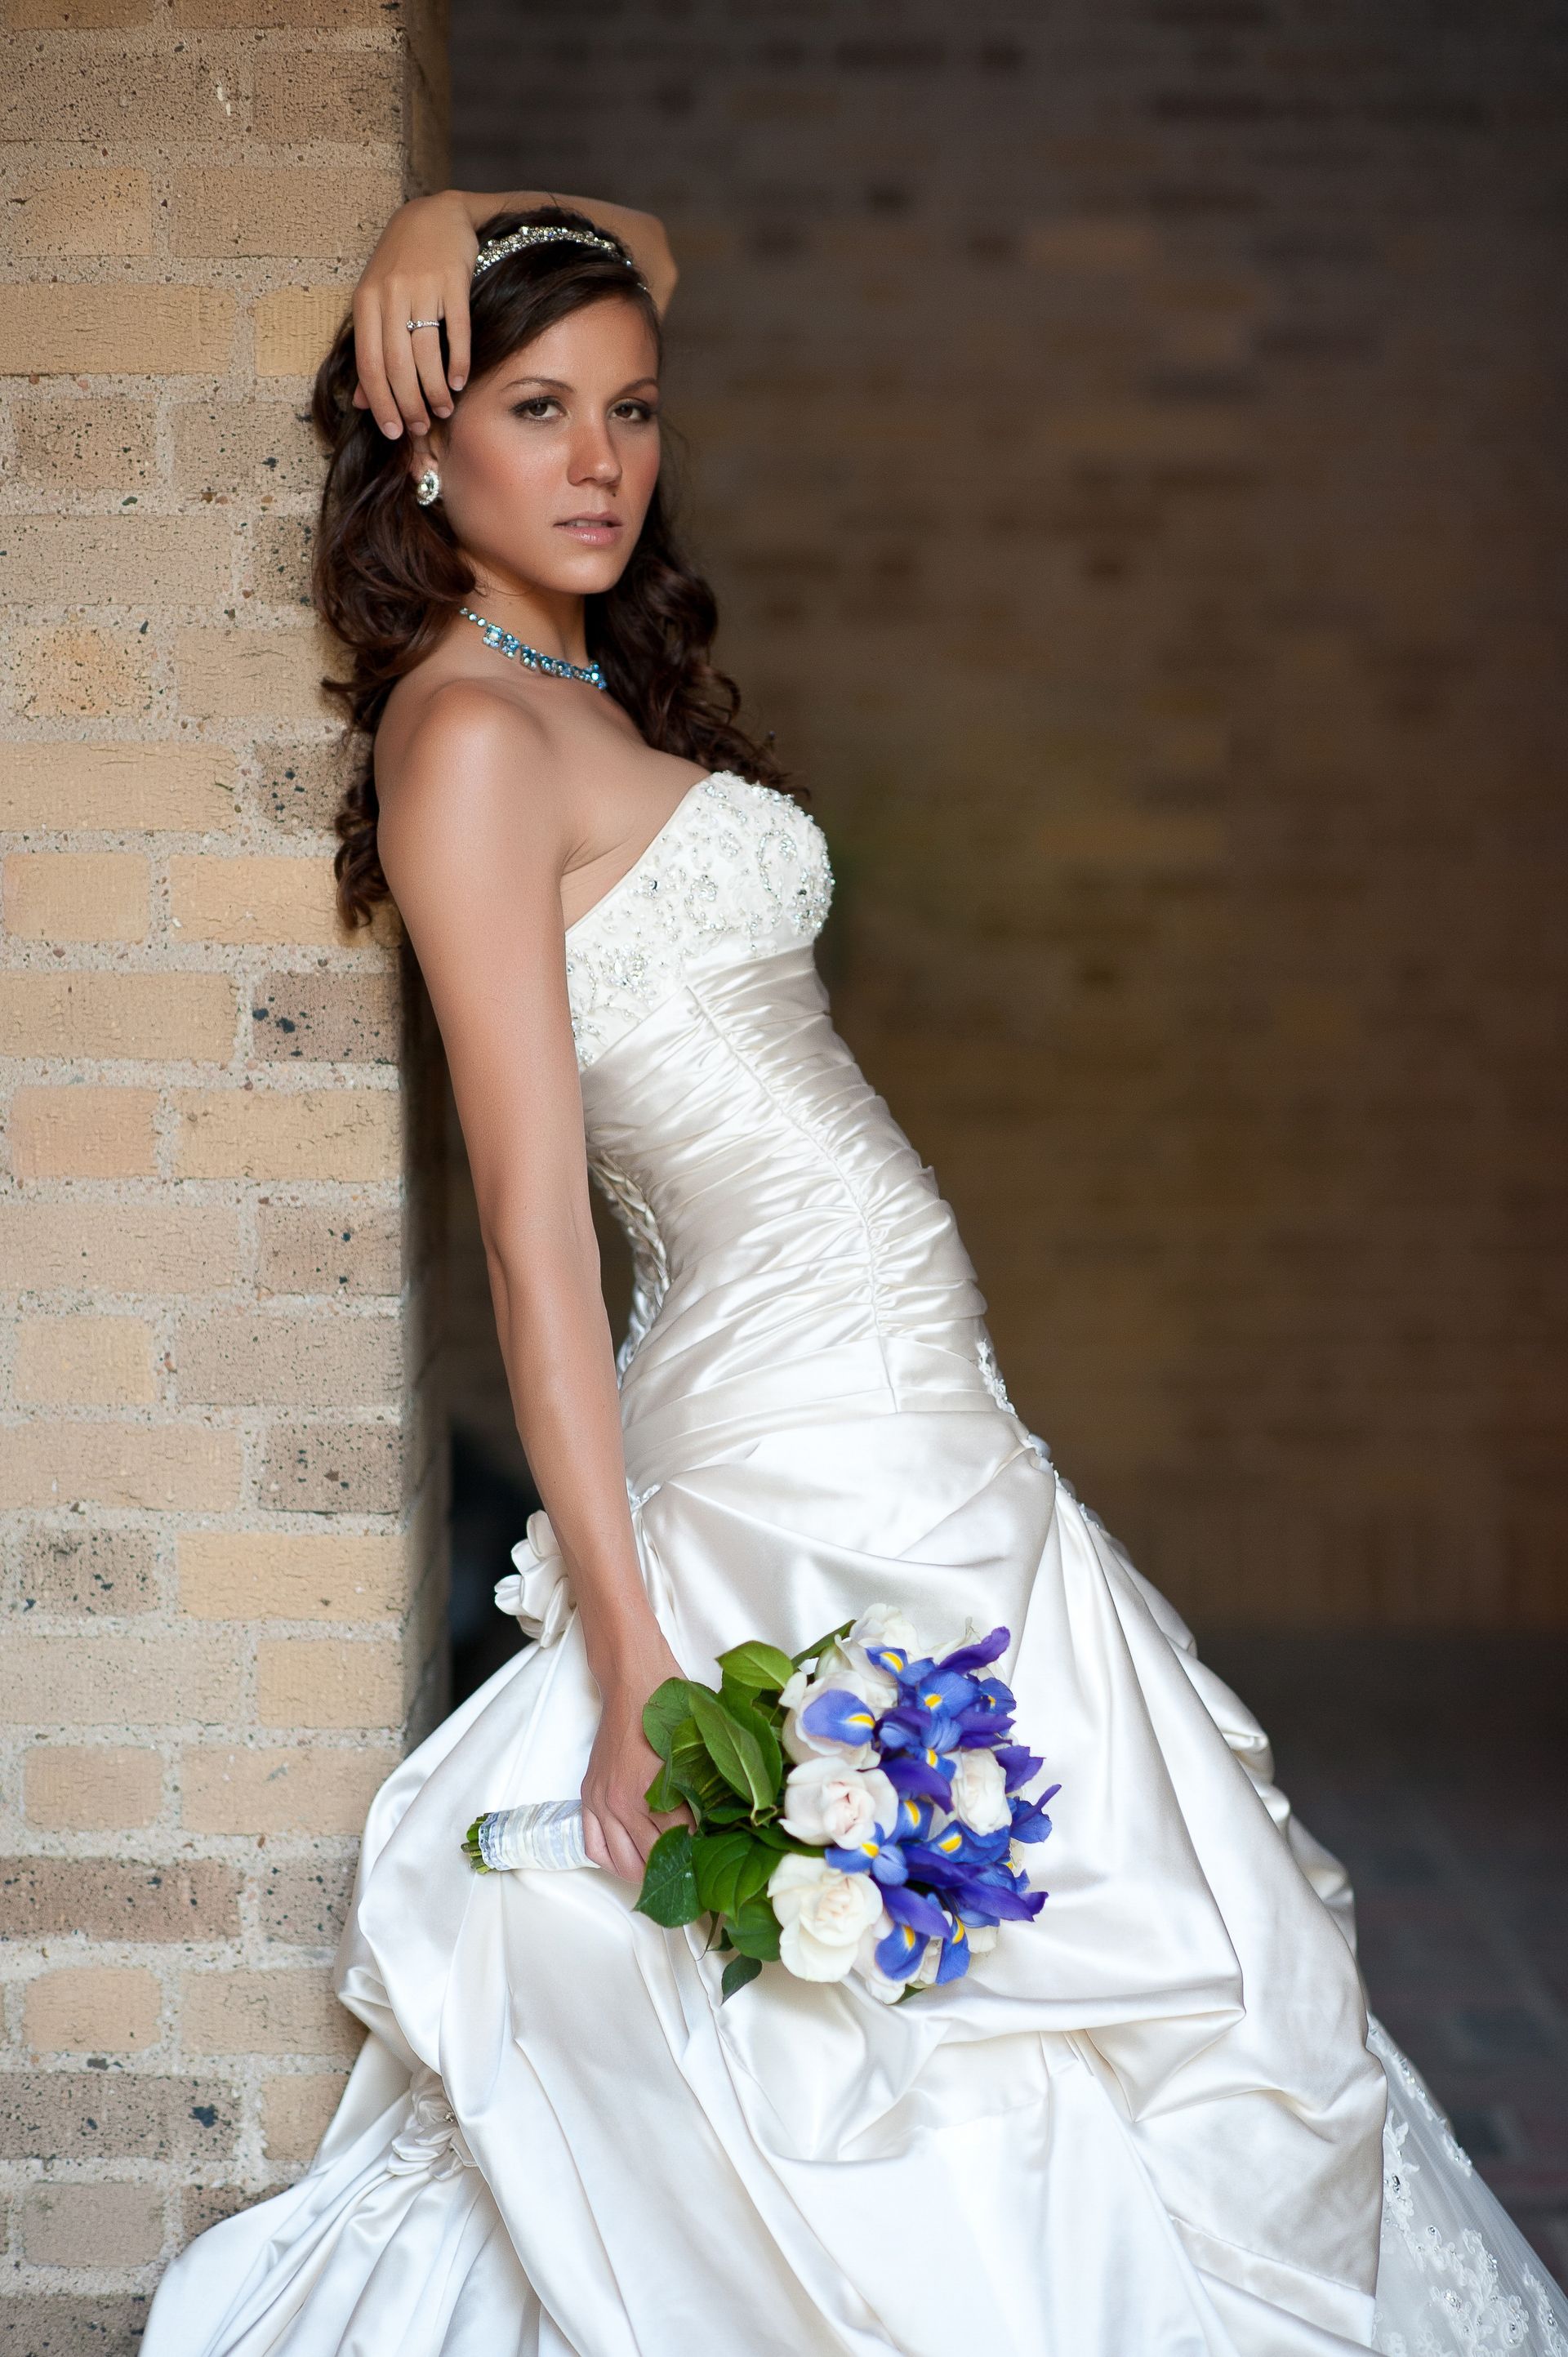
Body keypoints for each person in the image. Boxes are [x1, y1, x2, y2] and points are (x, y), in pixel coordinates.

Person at [140, 186, 1568, 2357]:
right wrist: (629, 1667)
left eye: (631, 409)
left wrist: (452, 212)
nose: (603, 455)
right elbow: (531, 1231)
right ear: (429, 442)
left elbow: (659, 246)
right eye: (534, 408)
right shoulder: (469, 740)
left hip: (906, 1391)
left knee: (1098, 1909)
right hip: (792, 1419)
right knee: (923, 1977)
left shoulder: (575, 674)